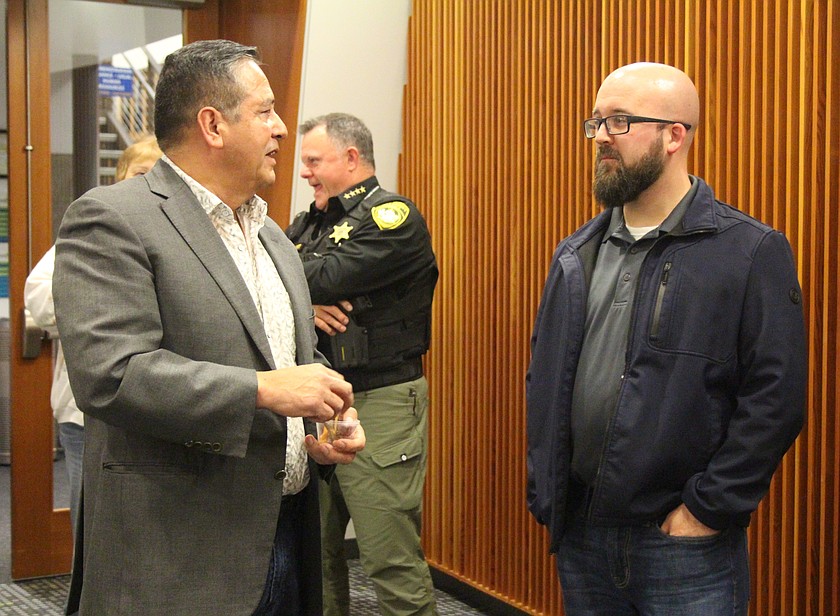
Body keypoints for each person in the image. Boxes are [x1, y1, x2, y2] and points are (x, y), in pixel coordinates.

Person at [53, 40, 365, 616]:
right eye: (265, 110)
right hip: (181, 559)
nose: (281, 129)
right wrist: (265, 391)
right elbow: (111, 374)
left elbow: (291, 357)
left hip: (288, 538)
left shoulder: (274, 237)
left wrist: (323, 414)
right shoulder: (113, 218)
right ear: (213, 125)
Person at [526, 62, 807, 616]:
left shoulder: (748, 251)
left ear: (675, 136)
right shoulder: (576, 253)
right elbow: (546, 378)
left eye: (620, 121)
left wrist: (706, 509)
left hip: (684, 548)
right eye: (597, 122)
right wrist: (549, 490)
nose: (601, 136)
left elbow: (776, 399)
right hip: (582, 535)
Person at [286, 112, 439, 616]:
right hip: (319, 401)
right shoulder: (312, 220)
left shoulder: (392, 217)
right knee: (318, 555)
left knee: (388, 558)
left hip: (382, 401)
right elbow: (263, 273)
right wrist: (306, 304)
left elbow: (323, 274)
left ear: (351, 158)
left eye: (313, 161)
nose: (305, 172)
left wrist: (305, 286)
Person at [23, 135, 162, 539]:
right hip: (86, 415)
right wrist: (115, 300)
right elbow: (40, 299)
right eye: (141, 173)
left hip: (156, 412)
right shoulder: (93, 228)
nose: (149, 183)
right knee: (92, 527)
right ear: (120, 177)